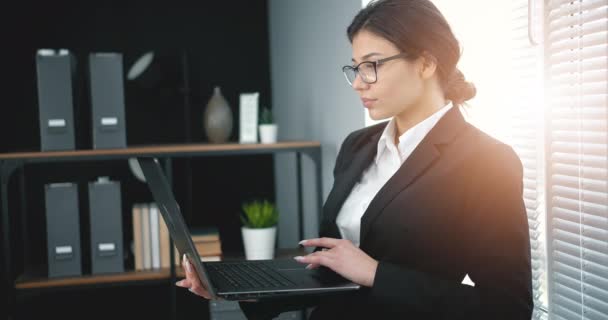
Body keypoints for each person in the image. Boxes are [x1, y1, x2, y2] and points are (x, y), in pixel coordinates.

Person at [176, 0, 534, 319]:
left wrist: (376, 273)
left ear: (425, 63)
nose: (359, 83)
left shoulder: (487, 162)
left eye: (372, 66)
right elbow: (332, 271)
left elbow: (507, 307)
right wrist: (241, 289)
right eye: (355, 68)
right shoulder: (358, 146)